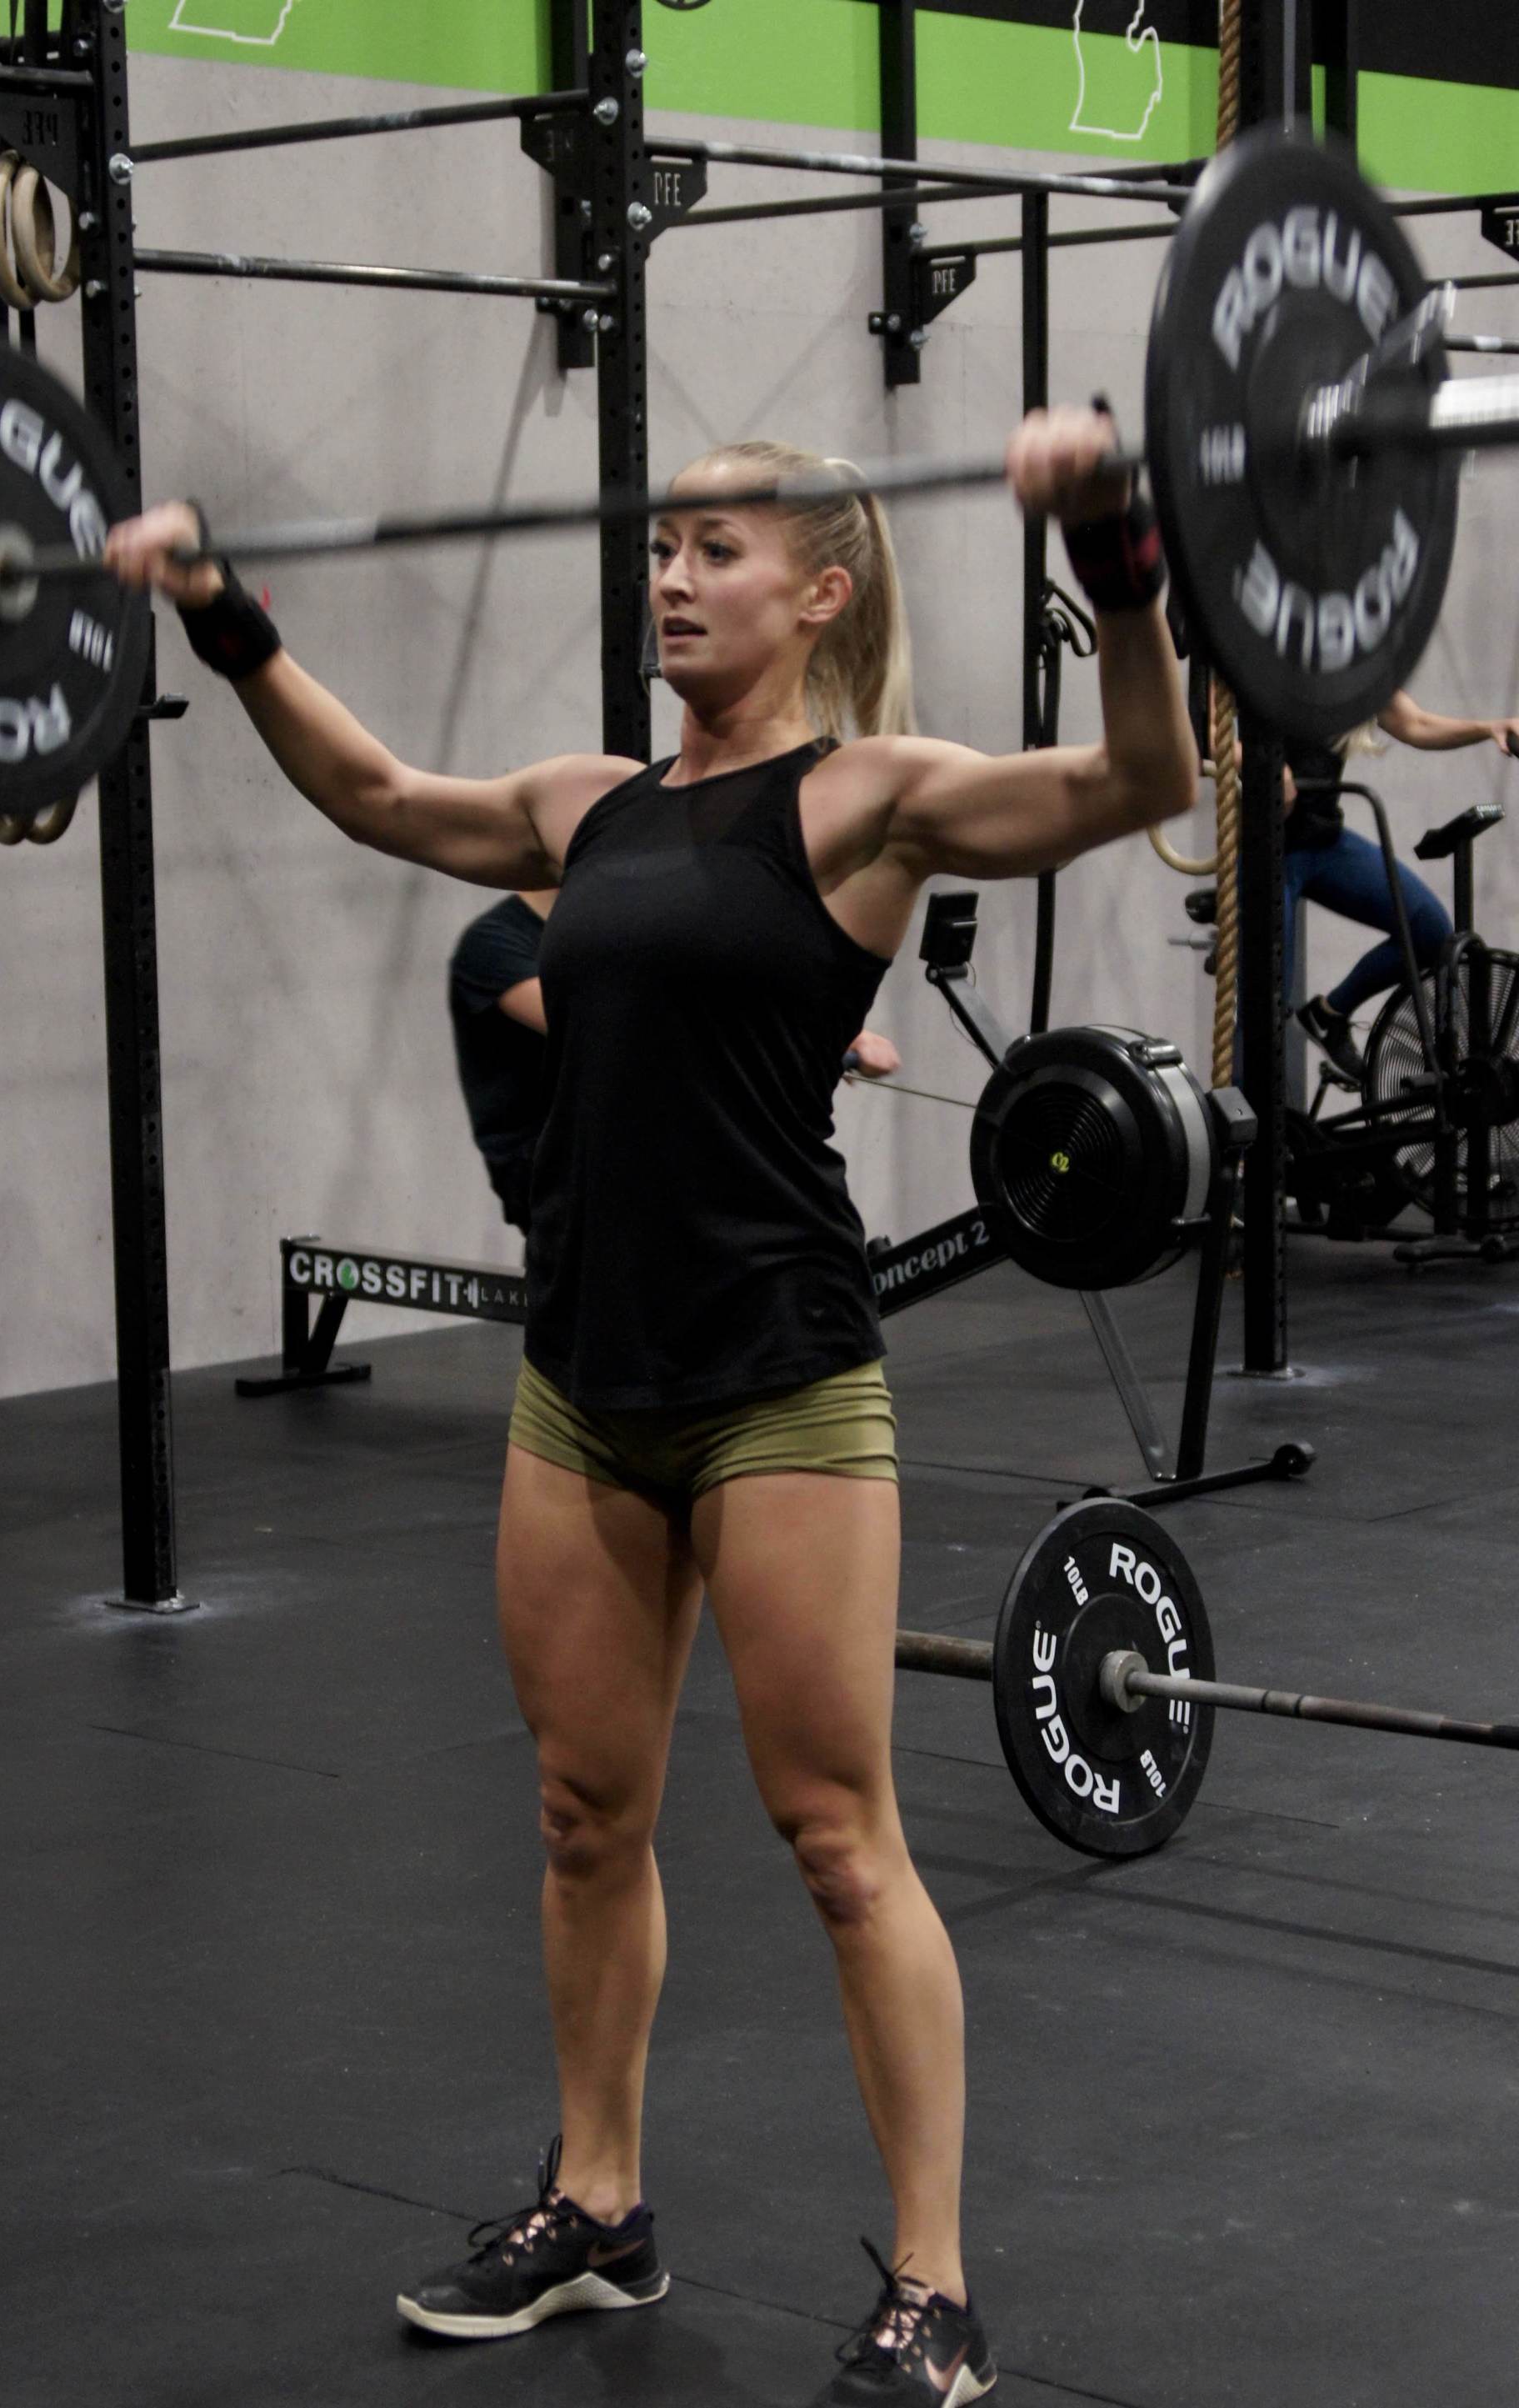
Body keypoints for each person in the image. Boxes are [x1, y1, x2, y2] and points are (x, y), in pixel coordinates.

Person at [107, 410, 1197, 2408]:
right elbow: (370, 795)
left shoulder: (870, 799)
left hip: (776, 1384)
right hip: (581, 1389)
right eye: (662, 545)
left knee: (838, 1833)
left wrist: (1118, 556)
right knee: (581, 1811)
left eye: (715, 550)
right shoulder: (586, 802)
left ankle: (932, 2287)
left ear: (821, 592)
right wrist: (222, 612)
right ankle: (598, 2202)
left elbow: (1145, 776)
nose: (672, 576)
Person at [449, 887, 902, 1237]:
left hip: (646, 1152)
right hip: (559, 1170)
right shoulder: (494, 943)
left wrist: (837, 1033)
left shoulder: (618, 925)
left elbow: (725, 991)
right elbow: (613, 1023)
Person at [1286, 691, 1519, 1087]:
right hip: (1264, 848)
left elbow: (1414, 723)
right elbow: (1207, 734)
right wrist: (1251, 759)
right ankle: (1244, 1141)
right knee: (1262, 997)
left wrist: (1488, 728)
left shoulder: (1349, 665)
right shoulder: (1258, 652)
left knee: (1430, 931)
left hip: (1321, 840)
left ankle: (1329, 1016)